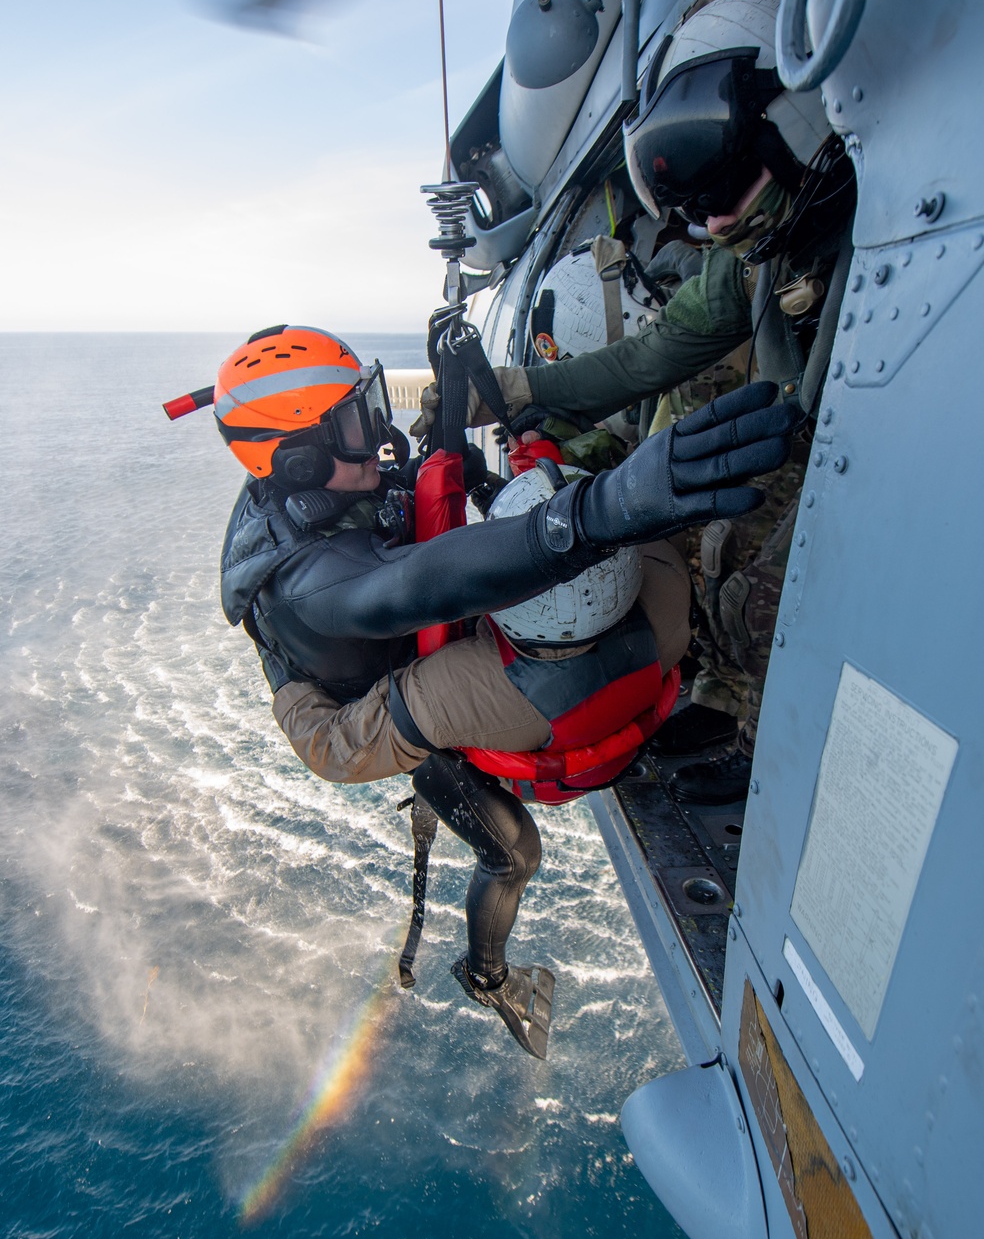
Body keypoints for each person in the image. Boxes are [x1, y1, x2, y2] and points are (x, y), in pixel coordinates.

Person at [169, 323, 793, 1057]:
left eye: (369, 406)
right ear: (301, 461)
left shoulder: (329, 486)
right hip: (342, 717)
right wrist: (590, 514)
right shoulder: (315, 584)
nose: (376, 433)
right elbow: (413, 582)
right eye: (354, 423)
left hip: (384, 639)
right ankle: (487, 975)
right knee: (513, 852)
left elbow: (424, 537)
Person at [416, 0, 856, 805]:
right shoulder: (755, 256)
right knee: (714, 548)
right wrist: (518, 390)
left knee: (757, 591)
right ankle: (732, 706)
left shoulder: (870, 225)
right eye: (701, 213)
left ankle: (773, 753)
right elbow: (650, 358)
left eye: (727, 192)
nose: (719, 224)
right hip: (808, 438)